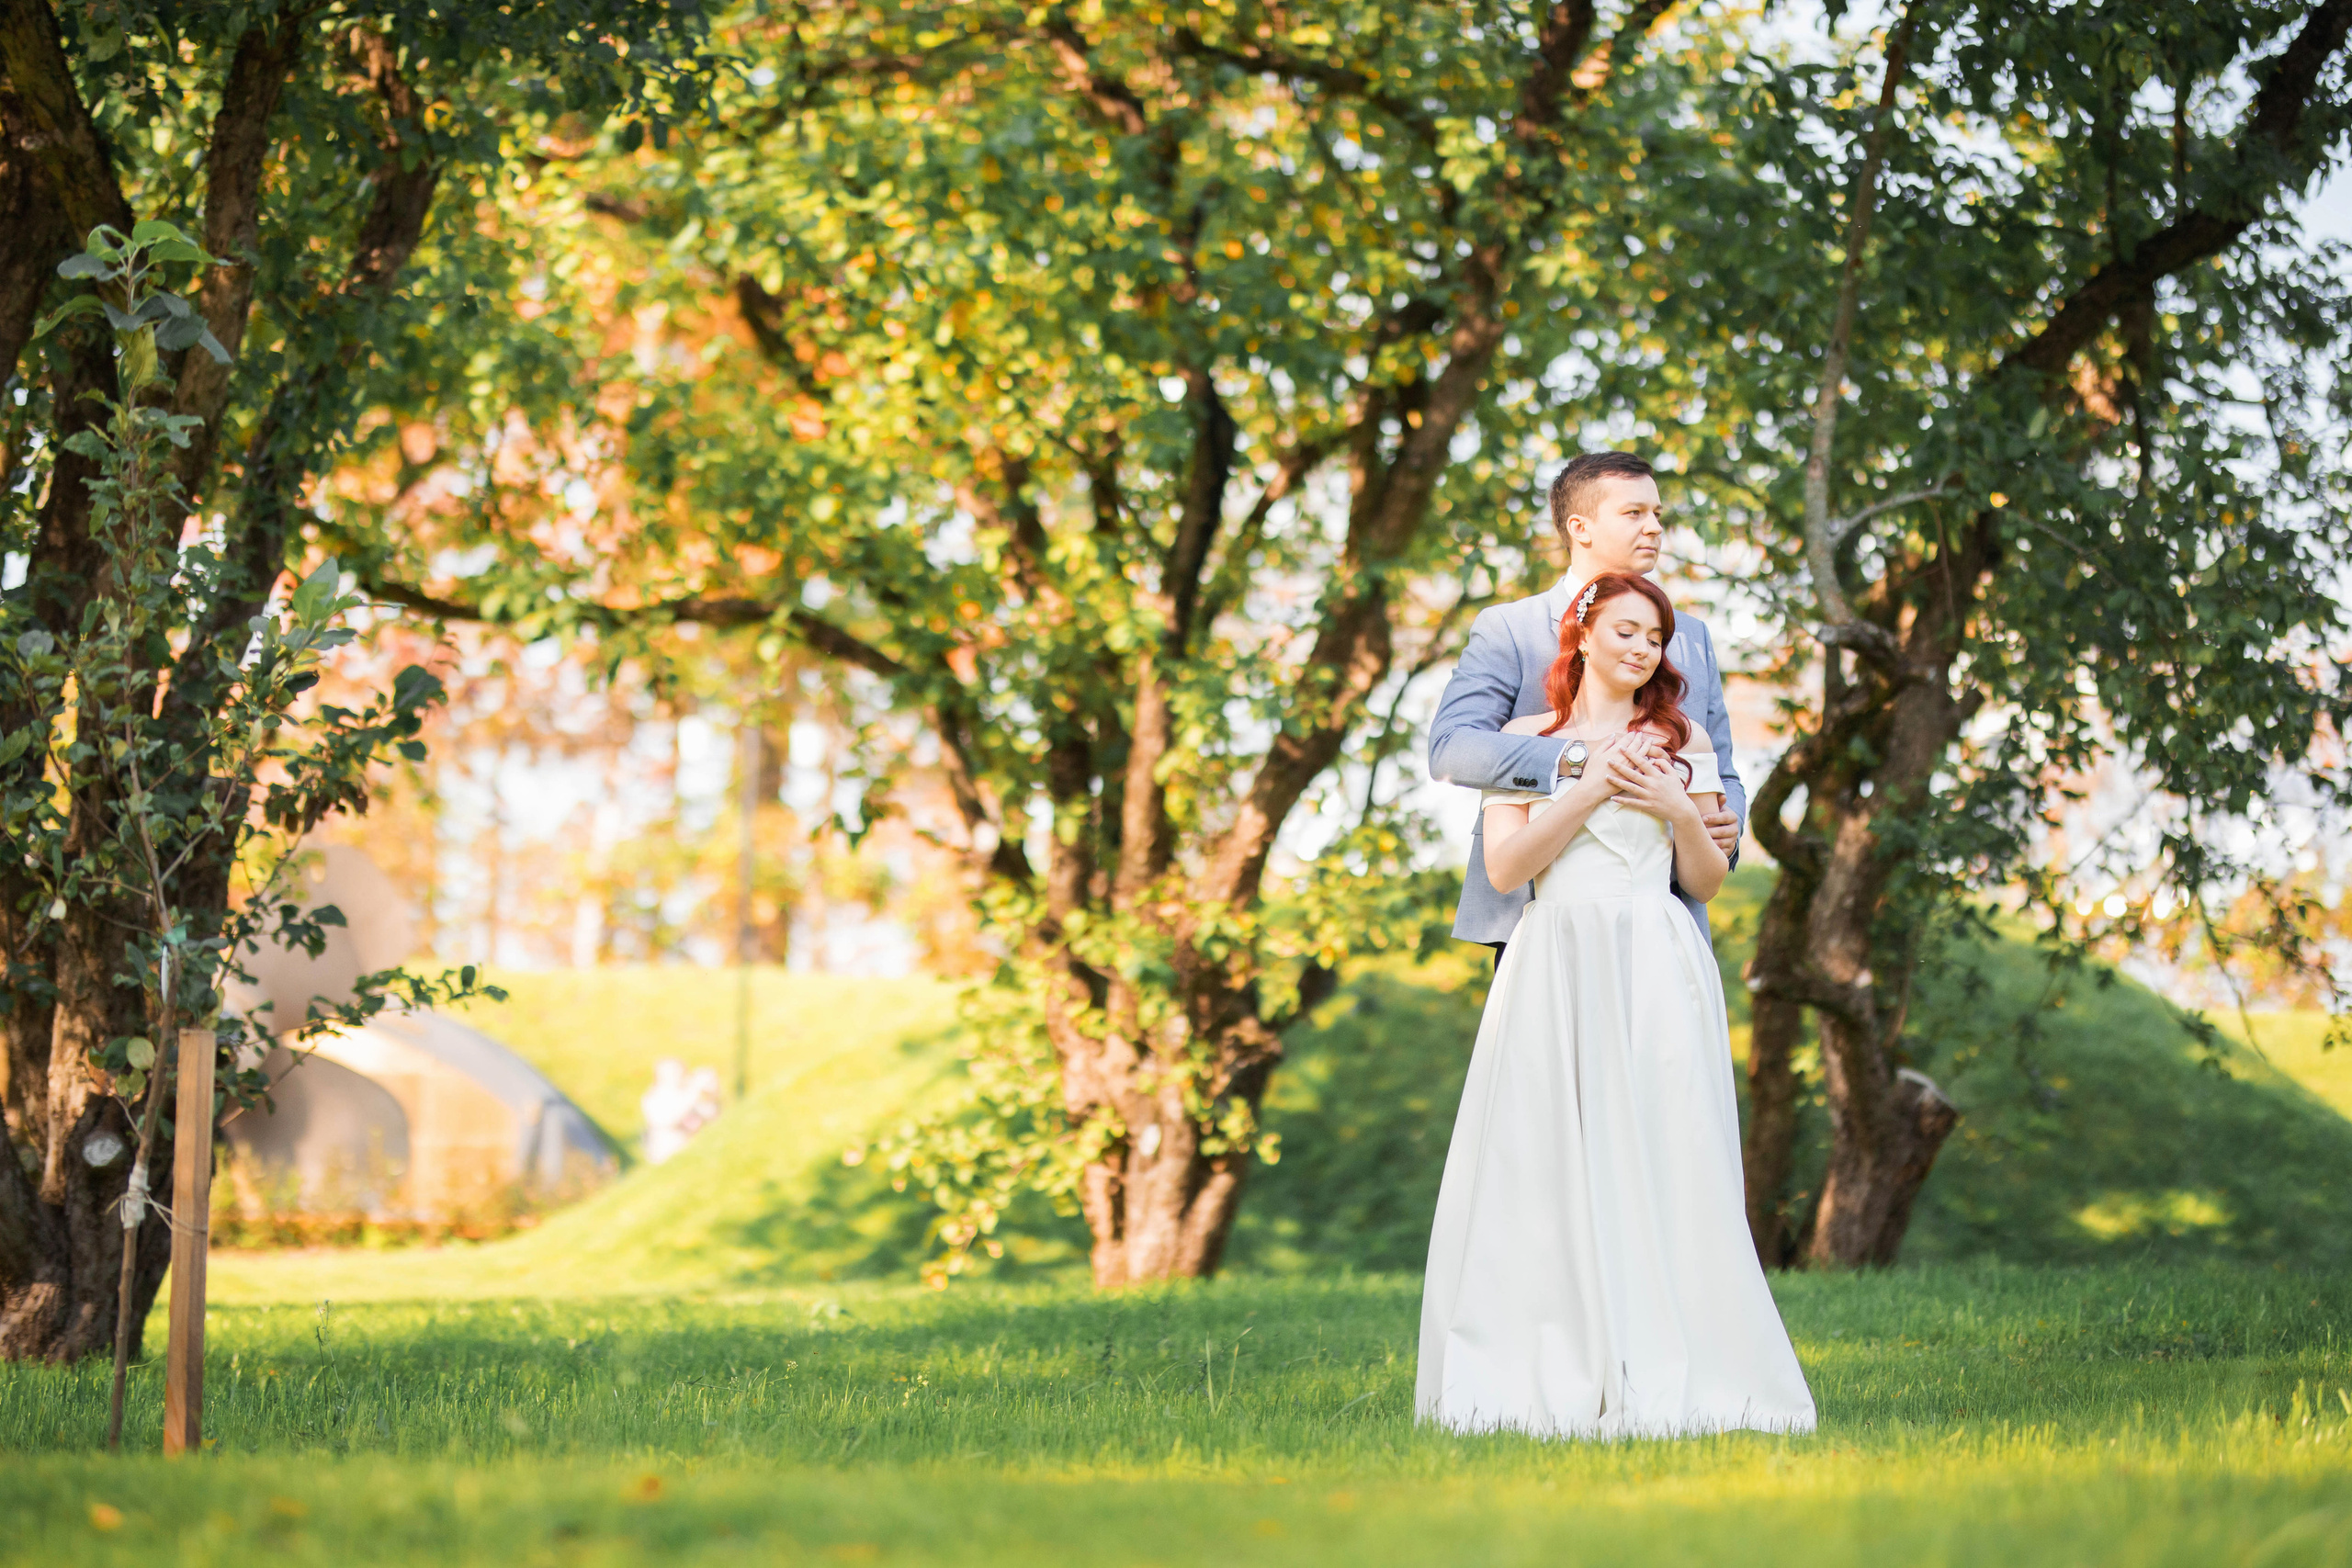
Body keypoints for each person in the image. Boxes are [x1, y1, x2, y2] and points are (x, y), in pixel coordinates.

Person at [1415, 570, 1815, 1438]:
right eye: (1627, 630)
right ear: (1584, 633)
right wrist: (1590, 783)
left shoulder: (1684, 739)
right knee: (1544, 1158)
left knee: (1666, 1152)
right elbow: (1508, 872)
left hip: (1656, 961)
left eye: (1657, 637)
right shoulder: (1526, 739)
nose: (1644, 648)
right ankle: (1549, 1362)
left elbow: (1704, 876)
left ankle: (1678, 1355)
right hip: (1552, 958)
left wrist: (1677, 804)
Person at [1429, 451, 1743, 957]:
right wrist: (1578, 758)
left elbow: (1720, 770)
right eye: (1634, 513)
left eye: (1658, 514)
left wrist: (1728, 826)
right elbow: (1451, 750)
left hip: (1664, 918)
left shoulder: (1692, 636)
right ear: (1580, 527)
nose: (1655, 528)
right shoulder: (1510, 628)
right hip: (1538, 917)